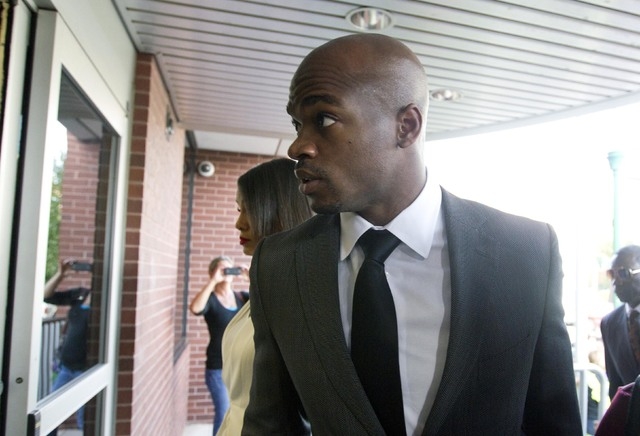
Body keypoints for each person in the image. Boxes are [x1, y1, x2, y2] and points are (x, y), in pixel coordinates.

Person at [241, 33, 582, 435]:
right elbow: (270, 423)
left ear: (406, 126)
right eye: (297, 124)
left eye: (324, 119)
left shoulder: (525, 252)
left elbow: (553, 421)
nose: (298, 146)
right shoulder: (279, 264)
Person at [217, 158, 312, 435]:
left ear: (280, 210)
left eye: (249, 210)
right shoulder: (264, 290)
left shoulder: (300, 300)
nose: (239, 223)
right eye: (239, 210)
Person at [190, 256, 249, 435]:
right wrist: (213, 282)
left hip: (239, 366)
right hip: (217, 367)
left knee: (240, 413)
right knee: (223, 411)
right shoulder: (211, 299)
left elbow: (264, 302)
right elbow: (195, 308)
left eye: (229, 269)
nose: (226, 273)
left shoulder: (242, 297)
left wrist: (251, 277)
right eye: (222, 270)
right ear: (213, 272)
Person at [44, 258, 92, 434]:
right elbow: (46, 296)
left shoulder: (107, 302)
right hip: (66, 368)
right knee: (51, 411)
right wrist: (60, 274)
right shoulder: (80, 295)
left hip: (86, 370)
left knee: (85, 419)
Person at [600, 245, 640, 400]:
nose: (616, 282)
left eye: (623, 273)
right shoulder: (609, 324)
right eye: (612, 274)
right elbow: (615, 388)